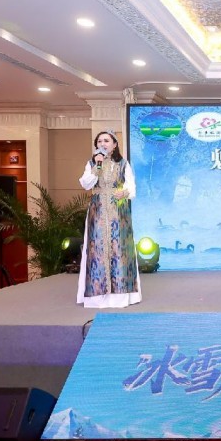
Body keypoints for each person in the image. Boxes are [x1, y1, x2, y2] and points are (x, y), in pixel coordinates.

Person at [76, 130, 141, 308]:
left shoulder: (123, 164)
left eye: (106, 140)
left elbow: (131, 186)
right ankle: (98, 296)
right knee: (96, 249)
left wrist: (124, 192)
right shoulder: (92, 163)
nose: (103, 144)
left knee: (120, 248)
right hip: (97, 211)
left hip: (118, 211)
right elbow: (86, 184)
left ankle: (121, 295)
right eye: (99, 141)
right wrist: (97, 166)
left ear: (114, 144)